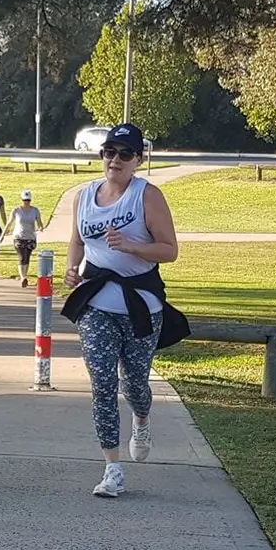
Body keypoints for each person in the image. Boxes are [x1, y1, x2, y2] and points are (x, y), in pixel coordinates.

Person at [59, 123, 184, 499]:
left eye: (125, 153)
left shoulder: (147, 196)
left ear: (138, 160)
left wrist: (132, 246)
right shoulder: (84, 195)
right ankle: (112, 468)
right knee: (102, 384)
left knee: (134, 384)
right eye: (109, 152)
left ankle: (142, 419)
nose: (115, 159)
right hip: (96, 304)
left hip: (141, 305)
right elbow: (77, 240)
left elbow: (169, 250)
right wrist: (71, 268)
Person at [11, 190, 43, 287]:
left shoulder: (35, 210)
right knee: (21, 257)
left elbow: (39, 221)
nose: (27, 202)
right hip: (18, 237)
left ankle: (24, 275)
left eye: (28, 200)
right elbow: (9, 222)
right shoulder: (16, 210)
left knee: (27, 257)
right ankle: (23, 277)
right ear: (21, 200)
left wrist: (41, 227)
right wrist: (3, 234)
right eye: (25, 200)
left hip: (30, 237)